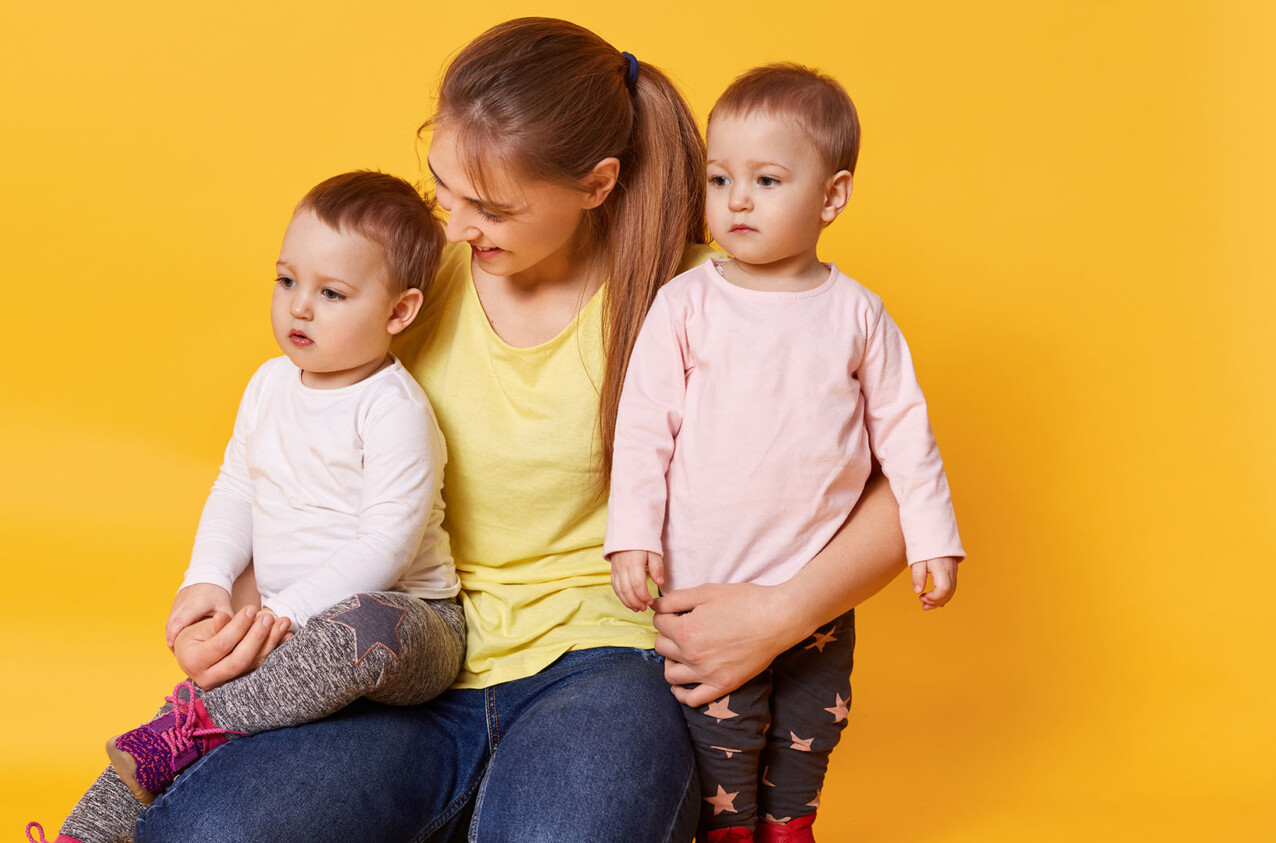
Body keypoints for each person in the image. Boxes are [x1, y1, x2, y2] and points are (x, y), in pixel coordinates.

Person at [137, 19, 912, 843]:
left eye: (494, 207)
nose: (458, 225)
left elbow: (901, 494)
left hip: (614, 667)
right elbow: (289, 458)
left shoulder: (700, 294)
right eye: (446, 189)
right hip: (417, 664)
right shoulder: (401, 291)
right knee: (201, 829)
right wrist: (237, 610)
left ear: (596, 184)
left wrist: (775, 616)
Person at [27, 171, 466, 843]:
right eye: (287, 281)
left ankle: (203, 726)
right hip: (286, 620)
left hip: (410, 627)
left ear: (399, 313)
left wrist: (283, 614)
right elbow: (237, 487)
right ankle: (86, 830)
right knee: (181, 711)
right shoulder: (268, 386)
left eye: (332, 293)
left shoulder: (392, 410)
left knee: (362, 627)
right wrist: (204, 581)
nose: (299, 308)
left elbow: (386, 547)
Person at [605, 64, 966, 843]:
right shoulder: (687, 303)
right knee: (722, 743)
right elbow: (643, 426)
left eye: (766, 180)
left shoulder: (858, 315)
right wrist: (631, 531)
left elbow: (907, 434)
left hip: (818, 590)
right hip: (709, 581)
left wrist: (934, 537)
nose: (737, 200)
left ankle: (792, 829)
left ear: (831, 196)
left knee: (808, 729)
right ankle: (733, 832)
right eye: (721, 179)